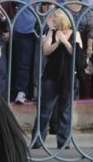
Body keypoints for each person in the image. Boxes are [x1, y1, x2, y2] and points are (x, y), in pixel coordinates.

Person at [31, 10, 83, 149]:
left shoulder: (75, 33)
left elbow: (77, 53)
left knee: (65, 111)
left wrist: (65, 41)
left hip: (68, 75)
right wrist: (57, 42)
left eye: (54, 19)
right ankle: (37, 139)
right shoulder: (51, 32)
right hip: (51, 75)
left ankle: (63, 141)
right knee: (45, 109)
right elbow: (46, 50)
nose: (52, 22)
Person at [9, 0, 59, 104]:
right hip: (23, 31)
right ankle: (22, 91)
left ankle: (36, 92)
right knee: (23, 64)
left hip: (41, 31)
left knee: (39, 64)